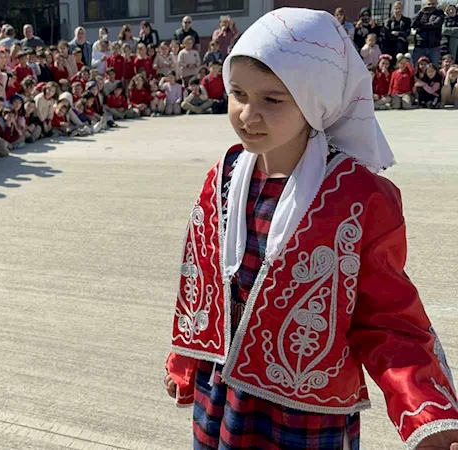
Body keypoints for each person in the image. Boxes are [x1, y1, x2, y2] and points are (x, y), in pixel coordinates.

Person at [164, 8, 458, 450]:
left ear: (316, 99)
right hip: (222, 392)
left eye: (273, 100)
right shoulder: (222, 177)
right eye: (238, 93)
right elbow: (203, 284)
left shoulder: (358, 197)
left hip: (304, 411)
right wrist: (185, 362)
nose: (248, 114)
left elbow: (388, 318)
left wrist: (428, 413)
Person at [412, 0, 445, 66]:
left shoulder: (439, 13)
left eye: (433, 4)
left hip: (434, 46)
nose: (431, 6)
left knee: (434, 67)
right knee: (416, 67)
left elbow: (436, 24)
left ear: (436, 4)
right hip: (420, 45)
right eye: (429, 4)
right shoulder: (421, 13)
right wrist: (420, 12)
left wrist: (421, 27)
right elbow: (413, 24)